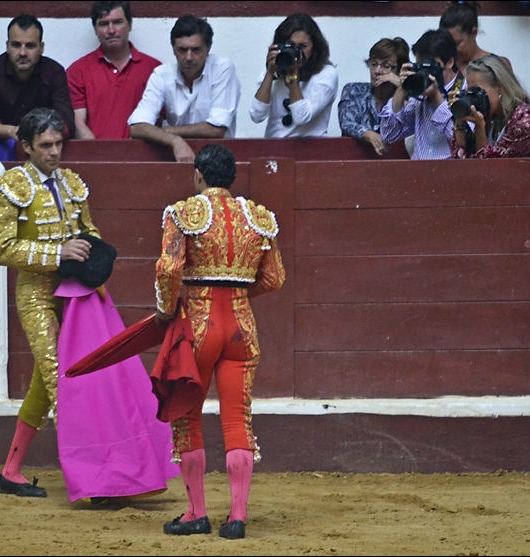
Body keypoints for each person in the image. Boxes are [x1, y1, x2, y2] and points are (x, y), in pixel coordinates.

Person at [154, 144, 285, 539]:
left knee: (187, 417)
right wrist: (239, 292)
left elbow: (168, 269)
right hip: (242, 329)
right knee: (237, 419)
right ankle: (238, 517)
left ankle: (196, 512)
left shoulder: (184, 213)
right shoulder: (259, 218)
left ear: (198, 175)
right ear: (232, 178)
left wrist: (165, 309)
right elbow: (274, 278)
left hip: (198, 324)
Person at [0, 107, 99, 497]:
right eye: (46, 145)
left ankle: (11, 471)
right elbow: (0, 249)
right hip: (35, 294)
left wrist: (94, 255)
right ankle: (93, 473)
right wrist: (58, 255)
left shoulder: (71, 184)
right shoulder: (10, 186)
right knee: (62, 379)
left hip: (75, 295)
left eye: (59, 144)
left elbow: (88, 230)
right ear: (27, 147)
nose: (55, 152)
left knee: (44, 383)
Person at [127, 15, 241, 162]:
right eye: (182, 50)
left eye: (196, 50)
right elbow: (136, 127)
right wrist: (174, 140)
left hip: (218, 160)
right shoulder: (162, 75)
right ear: (173, 50)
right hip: (176, 157)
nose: (188, 57)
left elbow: (216, 129)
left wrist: (168, 132)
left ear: (208, 49)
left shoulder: (222, 69)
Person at [0, 14, 75, 158]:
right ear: (7, 46)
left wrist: (37, 136)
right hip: (1, 149)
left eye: (30, 46)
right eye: (16, 45)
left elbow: (67, 125)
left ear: (41, 48)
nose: (22, 53)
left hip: (44, 150)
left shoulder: (54, 72)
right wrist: (11, 131)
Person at [66, 1, 162, 139]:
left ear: (130, 25)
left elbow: (156, 121)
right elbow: (78, 124)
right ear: (95, 29)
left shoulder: (154, 70)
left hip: (139, 157)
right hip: (95, 157)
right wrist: (100, 155)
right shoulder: (77, 71)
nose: (111, 30)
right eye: (104, 24)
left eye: (117, 22)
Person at [379, 29, 464, 160]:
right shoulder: (420, 94)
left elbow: (461, 144)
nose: (426, 73)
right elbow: (389, 134)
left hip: (450, 174)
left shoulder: (464, 90)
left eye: (430, 66)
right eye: (421, 66)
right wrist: (403, 87)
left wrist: (436, 97)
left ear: (449, 62)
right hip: (419, 174)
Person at [249, 13, 338, 138]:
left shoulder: (326, 74)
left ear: (315, 47)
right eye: (291, 46)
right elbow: (256, 115)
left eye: (303, 46)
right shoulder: (274, 70)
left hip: (311, 150)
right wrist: (270, 73)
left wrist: (292, 79)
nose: (296, 52)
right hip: (275, 148)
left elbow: (302, 117)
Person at [451, 55, 530, 159]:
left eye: (477, 91)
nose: (473, 97)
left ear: (501, 87)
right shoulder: (491, 117)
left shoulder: (527, 122)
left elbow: (490, 168)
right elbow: (461, 161)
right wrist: (459, 123)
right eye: (470, 91)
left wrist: (480, 130)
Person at [338, 37, 410, 156]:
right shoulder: (353, 90)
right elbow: (346, 122)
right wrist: (369, 134)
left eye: (386, 66)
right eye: (373, 64)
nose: (377, 71)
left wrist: (403, 86)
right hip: (354, 161)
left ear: (399, 70)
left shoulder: (408, 97)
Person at [439, 1, 513, 77]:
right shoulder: (443, 68)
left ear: (473, 33)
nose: (452, 49)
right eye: (448, 44)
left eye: (457, 43)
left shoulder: (499, 66)